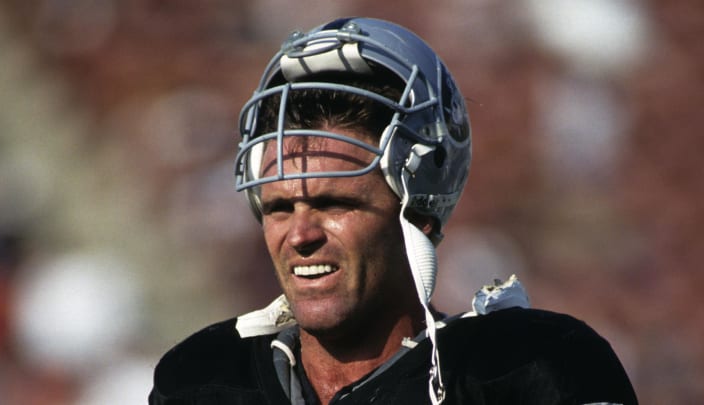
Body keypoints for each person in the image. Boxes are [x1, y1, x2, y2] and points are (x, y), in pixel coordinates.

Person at [149, 17, 638, 405]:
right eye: (278, 208)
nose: (299, 234)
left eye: (335, 202)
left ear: (418, 211)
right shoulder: (203, 380)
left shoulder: (523, 371)